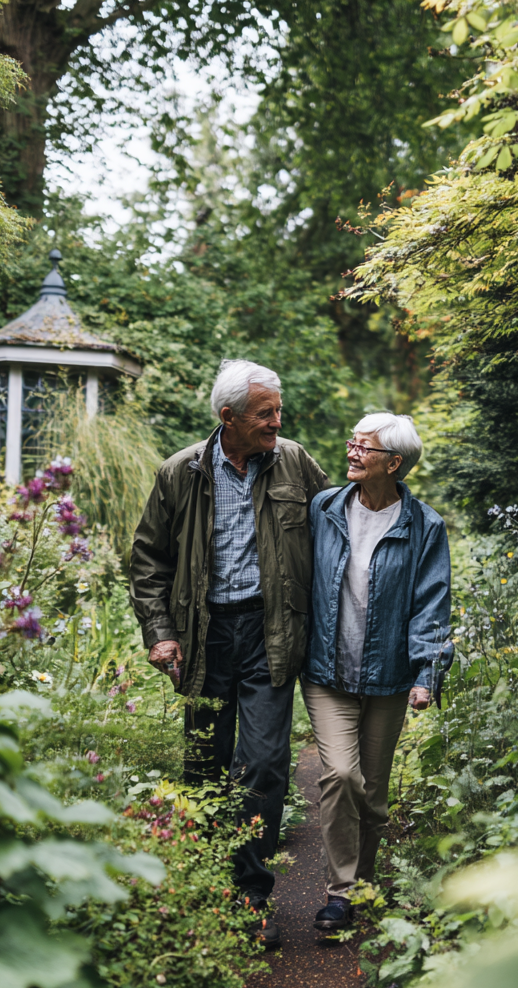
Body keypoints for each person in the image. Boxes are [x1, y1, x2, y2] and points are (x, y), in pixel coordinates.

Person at [129, 359, 329, 949]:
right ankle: (204, 887)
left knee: (265, 764)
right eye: (265, 413)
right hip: (203, 636)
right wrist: (160, 632)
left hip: (271, 631)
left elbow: (338, 527)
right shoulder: (181, 472)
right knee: (204, 766)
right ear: (229, 418)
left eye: (278, 411)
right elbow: (148, 561)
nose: (276, 421)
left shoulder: (293, 461)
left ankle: (250, 895)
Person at [302, 413, 451, 932]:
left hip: (388, 674)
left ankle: (363, 883)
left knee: (373, 792)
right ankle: (341, 893)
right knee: (341, 775)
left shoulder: (424, 526)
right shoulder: (323, 508)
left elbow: (431, 603)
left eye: (363, 448)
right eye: (351, 443)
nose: (352, 454)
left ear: (394, 463)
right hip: (326, 671)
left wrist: (426, 673)